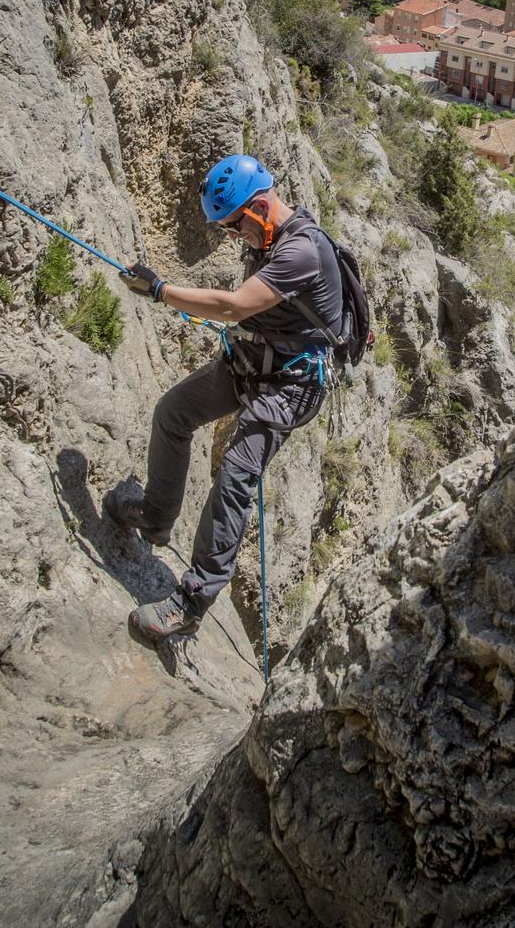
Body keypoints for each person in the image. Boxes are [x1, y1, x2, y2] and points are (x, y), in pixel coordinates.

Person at [107, 154, 345, 646]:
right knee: (172, 413)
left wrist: (160, 291)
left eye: (236, 226)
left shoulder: (302, 250)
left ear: (258, 209)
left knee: (236, 473)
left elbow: (235, 306)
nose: (235, 237)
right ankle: (155, 517)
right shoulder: (270, 236)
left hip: (291, 386)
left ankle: (190, 603)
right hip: (252, 364)